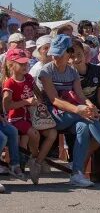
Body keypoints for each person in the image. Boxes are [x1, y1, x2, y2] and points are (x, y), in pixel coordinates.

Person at [37, 34, 100, 187]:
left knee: (84, 126)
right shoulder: (46, 71)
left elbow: (80, 95)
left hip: (70, 115)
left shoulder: (72, 73)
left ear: (68, 53)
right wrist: (80, 110)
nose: (56, 57)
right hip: (52, 115)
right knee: (85, 118)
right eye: (54, 53)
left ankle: (77, 173)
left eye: (60, 53)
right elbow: (54, 100)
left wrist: (89, 106)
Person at [2, 48, 55, 184]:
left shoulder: (29, 78)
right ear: (11, 65)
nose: (25, 66)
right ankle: (33, 159)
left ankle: (31, 160)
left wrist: (39, 101)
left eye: (26, 63)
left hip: (31, 117)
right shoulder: (10, 83)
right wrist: (25, 102)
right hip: (16, 118)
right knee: (34, 134)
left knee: (44, 134)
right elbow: (7, 106)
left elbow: (38, 93)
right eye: (21, 63)